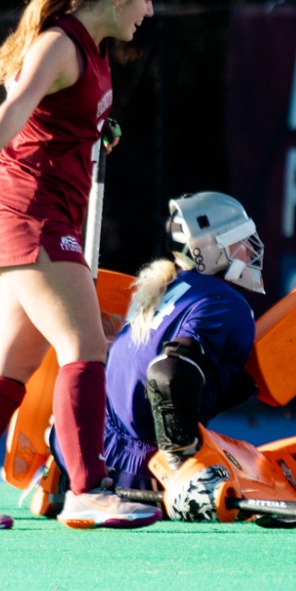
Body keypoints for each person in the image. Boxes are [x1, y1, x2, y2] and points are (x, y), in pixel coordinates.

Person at [0, 0, 162, 531]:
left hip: (44, 210)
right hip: (30, 214)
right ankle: (88, 490)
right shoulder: (60, 43)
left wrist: (96, 135)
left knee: (11, 366)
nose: (150, 12)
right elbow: (16, 109)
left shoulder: (98, 52)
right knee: (85, 347)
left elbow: (60, 120)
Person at [87, 193, 265, 508]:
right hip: (145, 471)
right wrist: (181, 463)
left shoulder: (166, 286)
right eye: (241, 240)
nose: (250, 249)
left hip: (93, 450)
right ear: (212, 249)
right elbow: (168, 374)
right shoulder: (227, 302)